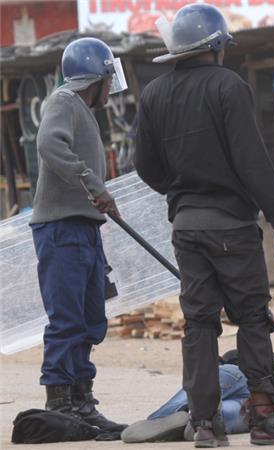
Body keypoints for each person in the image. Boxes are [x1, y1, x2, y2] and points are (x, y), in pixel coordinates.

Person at [134, 3, 274, 447]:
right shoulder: (228, 87)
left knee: (199, 324)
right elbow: (252, 160)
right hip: (231, 226)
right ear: (215, 46)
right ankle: (267, 419)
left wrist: (180, 192)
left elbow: (144, 165)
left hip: (187, 229)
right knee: (252, 317)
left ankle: (206, 425)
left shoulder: (153, 94)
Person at [30, 37, 126, 435]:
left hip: (84, 229)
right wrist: (93, 184)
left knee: (90, 319)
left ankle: (83, 403)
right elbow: (49, 144)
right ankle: (60, 404)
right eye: (108, 78)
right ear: (97, 77)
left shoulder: (83, 109)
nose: (110, 86)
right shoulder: (65, 101)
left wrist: (96, 197)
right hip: (62, 229)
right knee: (67, 320)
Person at [121, 351, 274, 443]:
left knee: (200, 394)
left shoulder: (233, 361)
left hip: (232, 374)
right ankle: (196, 419)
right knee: (236, 416)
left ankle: (175, 416)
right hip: (254, 405)